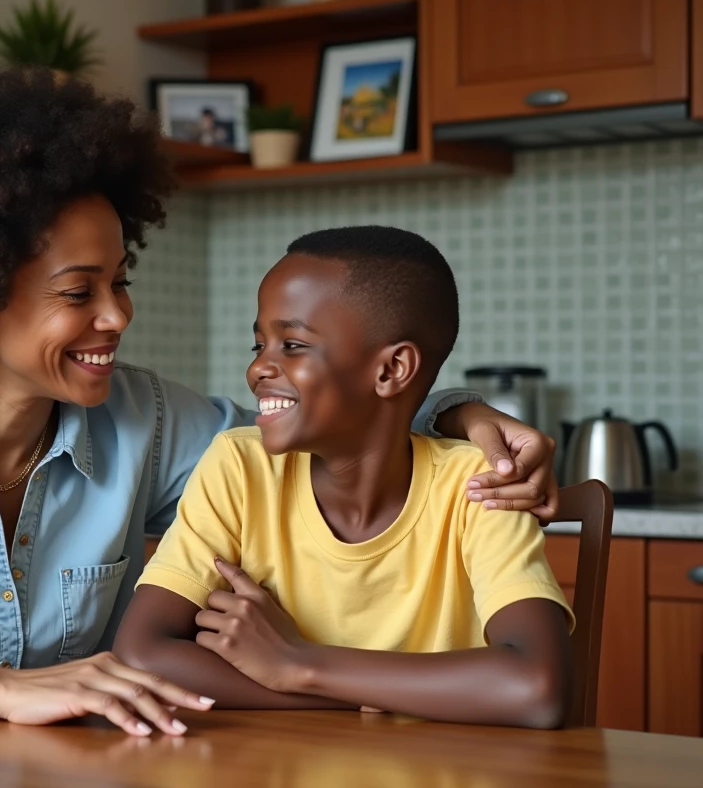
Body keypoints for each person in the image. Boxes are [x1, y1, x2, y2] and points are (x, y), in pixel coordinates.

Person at [0, 70, 559, 737]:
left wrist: (460, 414)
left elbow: (323, 427)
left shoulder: (153, 422)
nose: (117, 317)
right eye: (77, 292)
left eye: (119, 281)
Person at [114, 227, 573, 728]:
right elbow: (142, 654)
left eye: (292, 344)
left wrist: (299, 664)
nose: (258, 370)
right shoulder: (239, 466)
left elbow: (537, 687)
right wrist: (350, 699)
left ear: (392, 369)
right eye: (258, 344)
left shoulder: (477, 485)